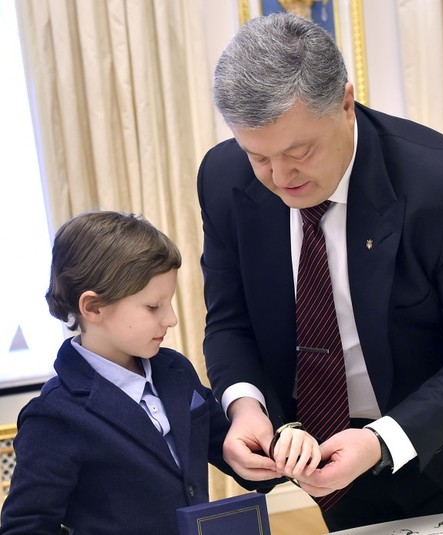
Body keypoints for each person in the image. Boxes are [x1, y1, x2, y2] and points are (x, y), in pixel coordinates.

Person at [197, 12, 443, 532]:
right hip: (333, 459)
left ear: (345, 103)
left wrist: (380, 441)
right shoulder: (223, 180)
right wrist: (244, 405)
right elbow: (229, 320)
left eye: (299, 152)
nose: (280, 178)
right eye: (258, 157)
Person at [0, 210, 320, 535]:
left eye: (168, 304)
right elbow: (24, 527)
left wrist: (282, 448)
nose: (171, 319)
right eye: (153, 307)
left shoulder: (175, 371)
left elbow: (235, 447)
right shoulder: (53, 417)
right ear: (93, 307)